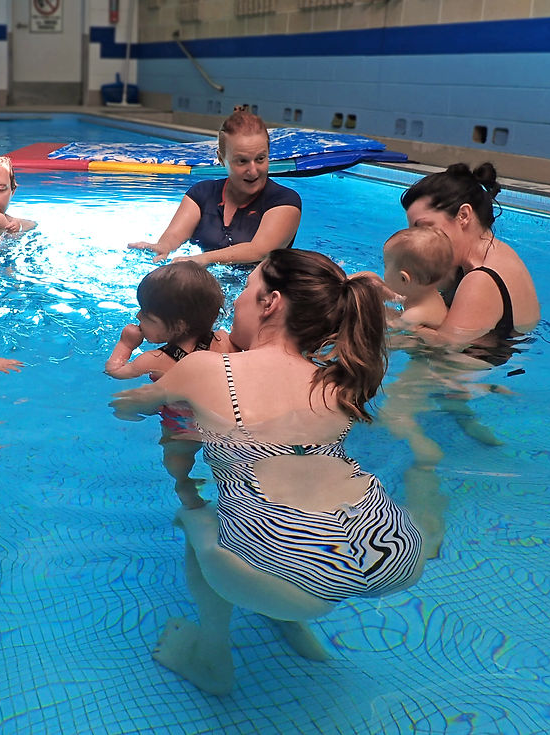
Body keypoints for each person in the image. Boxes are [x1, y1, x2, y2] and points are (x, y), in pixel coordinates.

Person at [111, 249, 426, 695]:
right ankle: (290, 618)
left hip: (284, 570)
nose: (236, 302)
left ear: (270, 302)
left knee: (197, 515)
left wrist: (150, 387)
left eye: (245, 290)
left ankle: (212, 657)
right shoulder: (338, 380)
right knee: (286, 499)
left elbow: (128, 408)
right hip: (393, 547)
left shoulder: (203, 367)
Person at [105, 261, 234, 507]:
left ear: (178, 326)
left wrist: (125, 344)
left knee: (176, 458)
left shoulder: (155, 359)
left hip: (183, 424)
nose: (138, 316)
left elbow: (115, 372)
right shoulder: (226, 340)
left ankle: (184, 485)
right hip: (224, 420)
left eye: (146, 314)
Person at [128, 111, 301, 265]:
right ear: (221, 158)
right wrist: (162, 247)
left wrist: (203, 259)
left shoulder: (284, 201)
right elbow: (174, 235)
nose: (253, 170)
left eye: (261, 159)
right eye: (242, 161)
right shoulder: (202, 194)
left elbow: (260, 251)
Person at [400, 162, 539, 354]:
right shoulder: (494, 253)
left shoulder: (481, 279)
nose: (415, 239)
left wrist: (397, 324)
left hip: (478, 375)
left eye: (423, 227)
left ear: (463, 215)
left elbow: (443, 350)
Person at [382, 226, 454, 330]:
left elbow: (394, 328)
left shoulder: (414, 315)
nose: (384, 268)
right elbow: (400, 298)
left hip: (427, 345)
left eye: (385, 265)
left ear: (404, 279)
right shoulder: (425, 292)